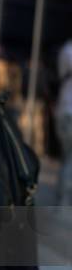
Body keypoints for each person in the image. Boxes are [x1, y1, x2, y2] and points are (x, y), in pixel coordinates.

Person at [55, 39, 72, 205]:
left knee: (67, 156)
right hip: (68, 111)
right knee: (69, 157)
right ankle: (64, 197)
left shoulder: (66, 49)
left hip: (64, 110)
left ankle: (62, 194)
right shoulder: (68, 50)